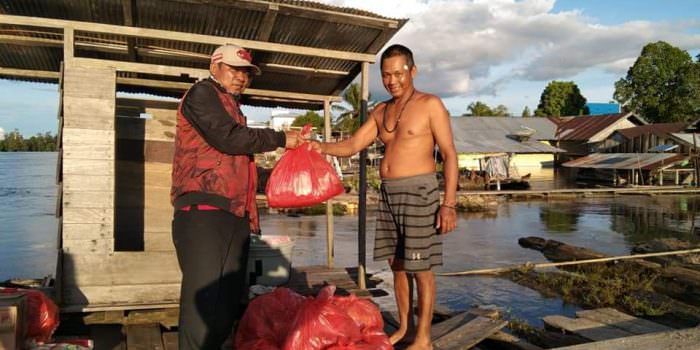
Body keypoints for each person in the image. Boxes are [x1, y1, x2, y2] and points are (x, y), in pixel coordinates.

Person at [310, 44, 458, 349]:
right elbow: (351, 145)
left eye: (398, 73)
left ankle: (424, 338)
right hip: (388, 194)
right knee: (398, 265)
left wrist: (449, 204)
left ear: (412, 71)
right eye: (386, 75)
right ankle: (405, 328)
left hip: (420, 192)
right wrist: (318, 146)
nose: (392, 80)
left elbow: (449, 154)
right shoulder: (381, 111)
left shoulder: (430, 104)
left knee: (421, 267)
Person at [170, 43, 303, 349]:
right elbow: (229, 139)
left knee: (226, 303)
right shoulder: (202, 94)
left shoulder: (234, 109)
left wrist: (291, 171)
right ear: (214, 67)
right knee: (202, 300)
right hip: (202, 211)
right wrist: (282, 139)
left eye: (246, 73)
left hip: (235, 214)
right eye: (234, 69)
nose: (241, 78)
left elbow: (243, 166)